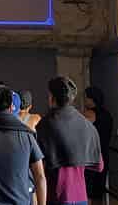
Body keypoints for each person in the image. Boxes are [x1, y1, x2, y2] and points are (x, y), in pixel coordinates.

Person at [36, 76, 103, 205]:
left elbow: (38, 166)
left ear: (52, 97)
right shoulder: (87, 125)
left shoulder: (45, 125)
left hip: (56, 195)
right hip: (81, 196)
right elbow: (99, 166)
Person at [83, 86, 113, 202]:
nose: (85, 100)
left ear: (92, 99)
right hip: (104, 155)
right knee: (98, 192)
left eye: (86, 98)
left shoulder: (89, 114)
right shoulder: (107, 114)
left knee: (88, 191)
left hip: (91, 157)